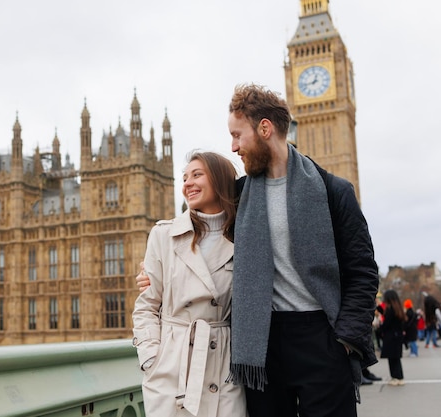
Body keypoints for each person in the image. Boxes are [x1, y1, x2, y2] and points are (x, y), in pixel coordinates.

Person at [137, 84, 379, 417]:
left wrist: (346, 341)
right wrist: (157, 272)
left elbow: (363, 271)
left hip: (322, 338)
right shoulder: (239, 196)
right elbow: (202, 227)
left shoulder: (332, 191)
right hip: (259, 345)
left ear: (264, 129)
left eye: (238, 135)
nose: (233, 146)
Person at [132, 151, 247, 417]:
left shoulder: (245, 236)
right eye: (184, 178)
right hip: (172, 365)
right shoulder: (163, 234)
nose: (187, 183)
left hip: (224, 366)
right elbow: (146, 306)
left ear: (220, 180)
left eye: (197, 175)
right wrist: (152, 359)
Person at [378, 290, 407, 385]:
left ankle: (395, 377)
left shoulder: (390, 310)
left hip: (390, 337)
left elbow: (386, 323)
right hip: (397, 337)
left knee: (391, 359)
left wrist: (380, 328)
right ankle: (400, 377)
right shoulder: (398, 309)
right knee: (396, 358)